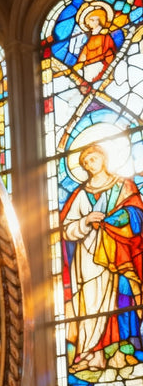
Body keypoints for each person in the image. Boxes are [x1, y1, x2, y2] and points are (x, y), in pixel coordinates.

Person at [61, 143, 143, 373]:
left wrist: (120, 218)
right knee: (90, 306)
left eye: (93, 159)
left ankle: (123, 349)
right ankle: (93, 354)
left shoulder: (122, 185)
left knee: (122, 298)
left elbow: (138, 213)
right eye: (85, 163)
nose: (90, 165)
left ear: (104, 158)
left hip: (118, 253)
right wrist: (85, 221)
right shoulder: (80, 194)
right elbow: (66, 229)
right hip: (88, 261)